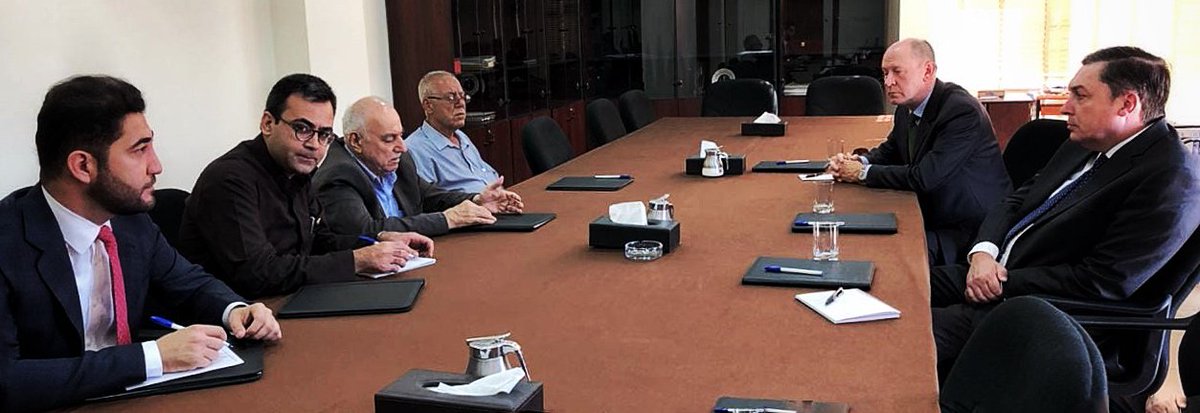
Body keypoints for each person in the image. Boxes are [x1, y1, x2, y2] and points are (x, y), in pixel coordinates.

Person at [930, 46, 1200, 412]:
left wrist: (998, 283)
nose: (1066, 107)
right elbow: (1015, 200)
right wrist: (984, 253)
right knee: (899, 283)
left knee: (902, 336)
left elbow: (1102, 282)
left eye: (1080, 96)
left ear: (1127, 104)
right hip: (998, 272)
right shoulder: (1089, 141)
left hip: (1051, 313)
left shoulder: (1170, 177)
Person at [0, 76, 282, 411]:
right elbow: (7, 380)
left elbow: (189, 284)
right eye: (139, 149)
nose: (156, 165)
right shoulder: (8, 239)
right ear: (83, 166)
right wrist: (153, 357)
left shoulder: (130, 221)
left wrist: (236, 310)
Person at [178, 74, 435, 299]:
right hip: (240, 315)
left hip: (292, 296)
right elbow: (257, 273)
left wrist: (377, 240)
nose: (314, 144)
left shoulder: (297, 170)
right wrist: (357, 260)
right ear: (267, 123)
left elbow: (318, 240)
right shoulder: (230, 179)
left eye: (324, 134)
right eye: (302, 129)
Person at [828, 38, 1011, 266]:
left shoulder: (961, 111)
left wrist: (861, 173)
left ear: (927, 71)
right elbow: (892, 149)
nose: (888, 82)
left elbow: (925, 177)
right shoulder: (907, 107)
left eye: (897, 72)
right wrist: (860, 160)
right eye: (885, 73)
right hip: (929, 210)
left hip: (966, 229)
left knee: (883, 256)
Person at [313, 96, 523, 236]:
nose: (402, 147)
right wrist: (446, 220)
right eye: (389, 139)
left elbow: (430, 196)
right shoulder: (338, 174)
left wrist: (477, 199)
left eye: (400, 136)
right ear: (356, 141)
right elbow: (365, 231)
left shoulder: (400, 160)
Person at [405, 71, 506, 193]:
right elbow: (429, 199)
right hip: (472, 204)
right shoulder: (415, 150)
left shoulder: (461, 137)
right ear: (428, 105)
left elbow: (487, 175)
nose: (461, 104)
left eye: (463, 97)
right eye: (451, 98)